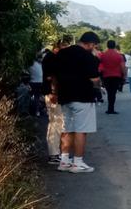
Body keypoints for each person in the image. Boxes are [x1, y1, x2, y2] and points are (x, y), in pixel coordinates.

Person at [53, 31, 100, 173]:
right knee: (81, 130)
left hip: (64, 96)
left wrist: (55, 92)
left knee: (67, 128)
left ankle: (64, 161)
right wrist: (98, 87)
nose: (94, 48)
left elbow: (54, 75)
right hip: (83, 97)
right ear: (90, 44)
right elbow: (94, 79)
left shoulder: (61, 53)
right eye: (94, 45)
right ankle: (78, 162)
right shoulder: (88, 57)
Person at [42, 35, 72, 164]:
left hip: (54, 94)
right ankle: (54, 154)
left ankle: (55, 153)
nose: (66, 48)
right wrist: (54, 93)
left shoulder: (51, 57)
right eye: (64, 46)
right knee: (56, 123)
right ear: (57, 47)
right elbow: (52, 78)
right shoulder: (52, 58)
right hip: (54, 95)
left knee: (56, 123)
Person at [99, 40, 126, 114]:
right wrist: (124, 76)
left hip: (106, 76)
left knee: (109, 92)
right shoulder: (119, 56)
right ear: (114, 46)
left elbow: (99, 66)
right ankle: (111, 109)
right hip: (116, 76)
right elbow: (123, 67)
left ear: (107, 46)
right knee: (113, 93)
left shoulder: (102, 55)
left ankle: (109, 108)